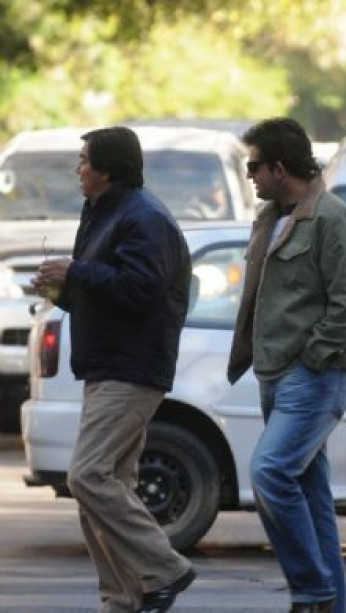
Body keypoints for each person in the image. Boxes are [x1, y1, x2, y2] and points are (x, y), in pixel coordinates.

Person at [31, 126, 195, 613]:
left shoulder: (146, 218)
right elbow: (107, 291)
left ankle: (165, 569)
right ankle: (125, 598)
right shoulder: (105, 211)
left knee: (87, 476)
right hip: (106, 365)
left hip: (132, 368)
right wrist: (61, 289)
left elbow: (141, 290)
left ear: (106, 168)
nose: (77, 169)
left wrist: (76, 273)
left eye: (83, 161)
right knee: (107, 487)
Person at [226, 118, 346, 613]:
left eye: (254, 167)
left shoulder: (334, 219)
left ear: (280, 167)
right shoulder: (272, 218)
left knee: (269, 473)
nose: (250, 177)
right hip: (276, 374)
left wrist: (312, 357)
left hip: (316, 375)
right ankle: (328, 604)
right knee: (311, 498)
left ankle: (312, 590)